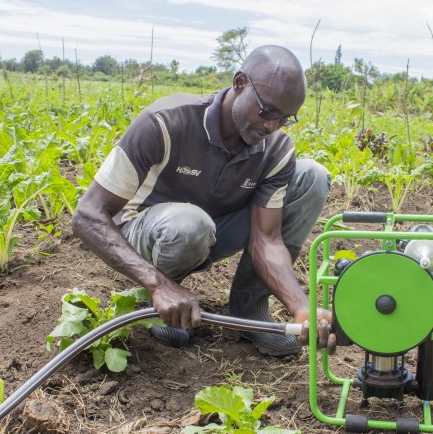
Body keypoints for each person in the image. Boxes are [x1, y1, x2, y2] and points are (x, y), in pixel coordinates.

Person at [73, 45, 336, 357]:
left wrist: (301, 307)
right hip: (147, 234)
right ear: (239, 83)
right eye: (266, 111)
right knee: (189, 224)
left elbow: (266, 239)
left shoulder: (275, 149)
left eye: (285, 118)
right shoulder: (165, 123)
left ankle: (248, 311)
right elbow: (88, 215)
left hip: (210, 230)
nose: (271, 126)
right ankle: (161, 298)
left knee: (312, 177)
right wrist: (157, 284)